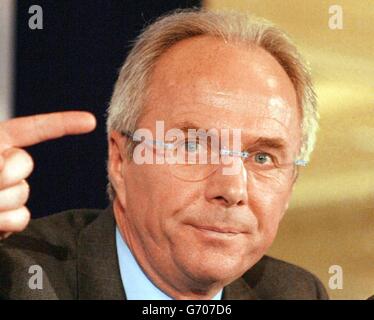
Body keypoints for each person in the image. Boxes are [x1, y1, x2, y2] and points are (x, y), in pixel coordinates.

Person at [0, 9, 328, 300]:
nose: (231, 190)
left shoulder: (294, 292)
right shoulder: (16, 277)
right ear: (120, 159)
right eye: (192, 146)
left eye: (261, 158)